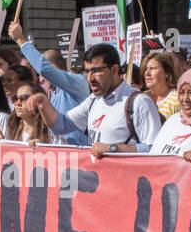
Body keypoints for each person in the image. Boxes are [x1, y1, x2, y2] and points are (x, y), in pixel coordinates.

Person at [30, 43, 163, 153]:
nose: (90, 78)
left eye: (96, 71)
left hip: (127, 182)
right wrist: (43, 102)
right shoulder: (94, 100)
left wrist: (113, 148)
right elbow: (61, 125)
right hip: (98, 181)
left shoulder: (139, 102)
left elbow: (154, 149)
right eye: (87, 71)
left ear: (115, 70)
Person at [8, 20, 85, 114]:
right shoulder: (55, 93)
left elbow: (43, 68)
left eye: (42, 75)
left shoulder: (76, 82)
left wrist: (20, 39)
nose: (41, 79)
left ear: (53, 67)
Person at [142, 51, 179, 120]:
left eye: (152, 68)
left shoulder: (176, 100)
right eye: (146, 69)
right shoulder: (141, 97)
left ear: (167, 73)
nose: (147, 73)